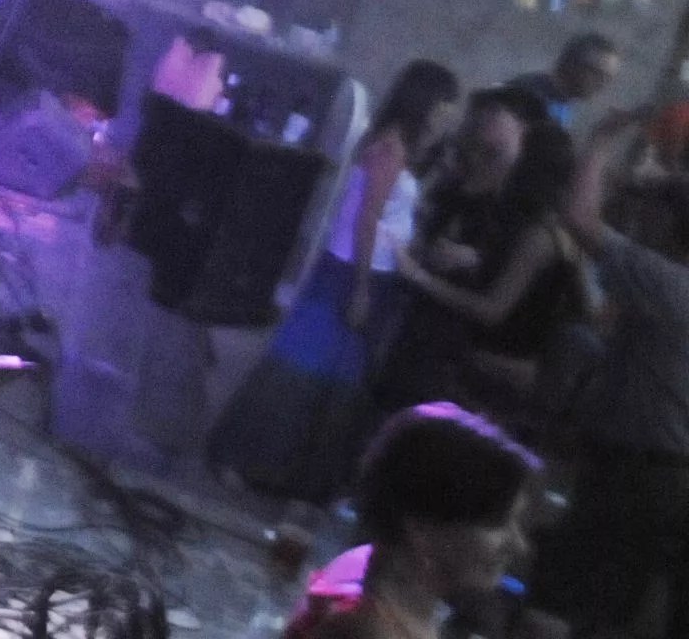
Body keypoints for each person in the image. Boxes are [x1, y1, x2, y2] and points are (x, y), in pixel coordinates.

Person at [208, 60, 461, 502]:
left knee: (332, 380)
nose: (445, 116)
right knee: (298, 370)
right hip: (352, 272)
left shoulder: (403, 149)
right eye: (442, 106)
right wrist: (360, 287)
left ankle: (292, 474)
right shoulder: (390, 148)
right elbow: (366, 218)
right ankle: (243, 457)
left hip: (372, 272)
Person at [527, 106, 689, 636]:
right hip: (663, 470)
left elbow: (578, 219)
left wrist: (601, 136)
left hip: (637, 470)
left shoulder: (668, 283)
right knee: (611, 610)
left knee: (566, 602)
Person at [284, 404, 554, 639]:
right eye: (497, 523)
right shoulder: (366, 628)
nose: (519, 545)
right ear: (421, 528)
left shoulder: (399, 613)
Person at [392, 120, 589, 423]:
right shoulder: (560, 233)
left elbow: (492, 310)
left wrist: (419, 276)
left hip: (492, 372)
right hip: (508, 371)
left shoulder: (540, 236)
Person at [506, 32, 620, 133]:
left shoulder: (562, 103)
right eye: (598, 74)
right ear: (572, 64)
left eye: (608, 78)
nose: (602, 84)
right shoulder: (527, 97)